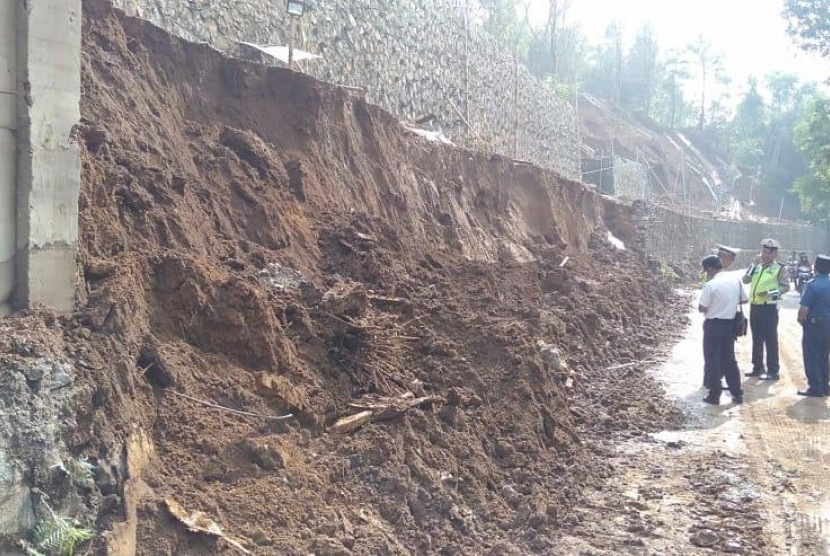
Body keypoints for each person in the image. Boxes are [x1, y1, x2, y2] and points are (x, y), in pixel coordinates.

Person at [699, 255, 747, 404]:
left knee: (712, 360)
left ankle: (714, 395)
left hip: (713, 325)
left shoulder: (711, 285)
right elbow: (744, 300)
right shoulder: (735, 280)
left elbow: (702, 308)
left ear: (710, 269)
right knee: (730, 360)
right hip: (730, 325)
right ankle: (737, 393)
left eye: (706, 271)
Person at [743, 238, 790, 380]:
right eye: (763, 252)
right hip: (755, 306)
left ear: (775, 254)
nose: (764, 255)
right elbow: (745, 280)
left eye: (768, 253)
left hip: (769, 308)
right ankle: (757, 367)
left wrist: (769, 293)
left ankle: (773, 370)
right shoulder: (756, 267)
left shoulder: (780, 268)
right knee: (756, 338)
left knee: (770, 339)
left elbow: (785, 287)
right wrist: (753, 265)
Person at [796, 255, 830, 397]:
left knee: (811, 355)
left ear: (815, 268)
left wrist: (800, 319)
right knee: (824, 355)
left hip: (814, 323)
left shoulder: (812, 284)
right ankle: (824, 385)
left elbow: (804, 309)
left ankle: (815, 387)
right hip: (828, 323)